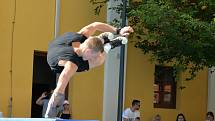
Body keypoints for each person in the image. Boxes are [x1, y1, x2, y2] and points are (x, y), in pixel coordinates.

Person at [45, 22, 134, 118]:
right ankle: (107, 46)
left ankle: (101, 40)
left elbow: (95, 25)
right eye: (93, 55)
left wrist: (118, 30)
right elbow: (60, 88)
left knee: (95, 53)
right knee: (99, 60)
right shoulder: (72, 65)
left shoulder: (80, 36)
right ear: (88, 52)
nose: (94, 57)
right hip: (55, 62)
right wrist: (49, 113)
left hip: (59, 45)